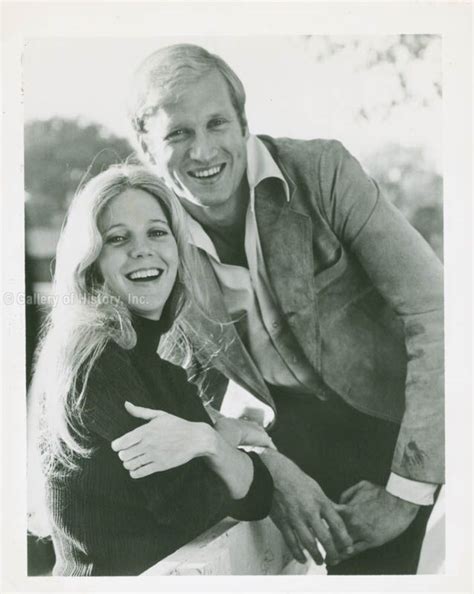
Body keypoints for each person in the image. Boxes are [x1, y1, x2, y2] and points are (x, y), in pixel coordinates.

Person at [120, 43, 445, 575]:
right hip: (295, 439)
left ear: (243, 121)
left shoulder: (323, 172)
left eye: (216, 124)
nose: (202, 152)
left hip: (408, 418)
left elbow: (436, 313)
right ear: (146, 145)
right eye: (178, 133)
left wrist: (405, 494)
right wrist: (267, 465)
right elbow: (173, 378)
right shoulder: (152, 232)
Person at [28, 165, 274, 576]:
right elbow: (194, 503)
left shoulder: (155, 367)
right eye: (118, 238)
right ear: (91, 263)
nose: (142, 249)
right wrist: (214, 443)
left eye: (157, 232)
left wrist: (208, 442)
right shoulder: (95, 361)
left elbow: (257, 498)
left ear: (177, 250)